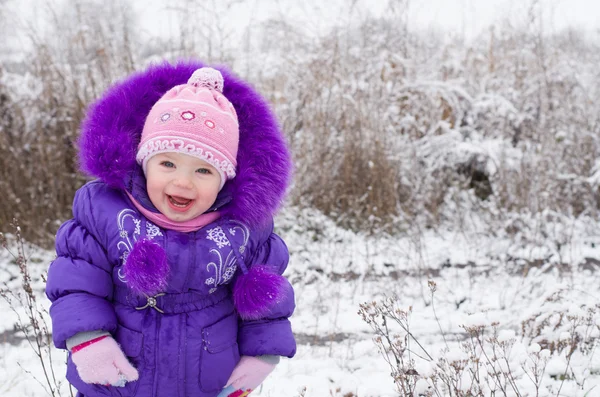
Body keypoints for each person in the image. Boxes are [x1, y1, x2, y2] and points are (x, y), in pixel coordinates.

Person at [45, 61, 296, 397]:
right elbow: (76, 283)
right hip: (118, 378)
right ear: (144, 163)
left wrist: (262, 355)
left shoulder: (244, 230)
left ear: (226, 180)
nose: (183, 182)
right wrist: (88, 340)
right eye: (167, 163)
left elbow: (268, 300)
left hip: (207, 381)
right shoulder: (104, 212)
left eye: (204, 171)